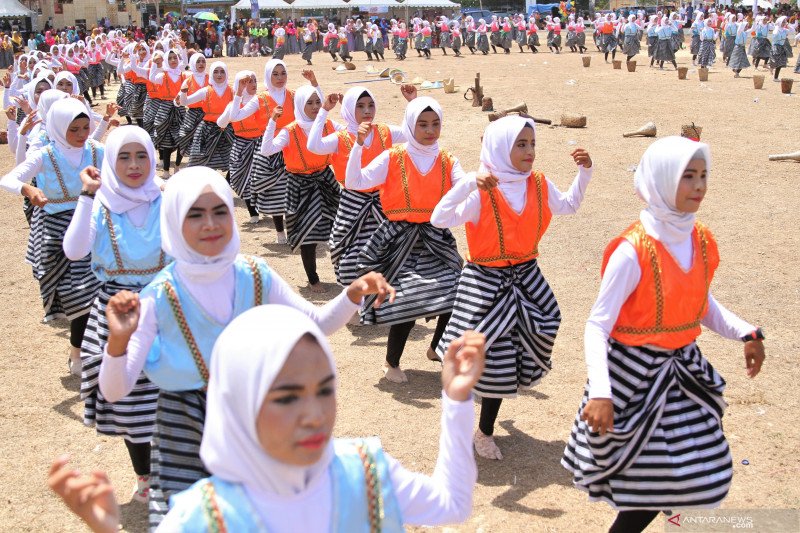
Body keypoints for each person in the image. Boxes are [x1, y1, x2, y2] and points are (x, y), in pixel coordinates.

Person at [97, 167, 394, 527]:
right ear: (173, 219)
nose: (210, 224)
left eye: (220, 210)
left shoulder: (256, 275)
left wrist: (352, 293)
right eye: (195, 213)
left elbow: (316, 325)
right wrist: (117, 342)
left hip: (257, 419)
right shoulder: (157, 298)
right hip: (185, 430)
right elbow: (115, 391)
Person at [49, 306, 484, 533]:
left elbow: (452, 504)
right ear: (239, 403)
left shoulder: (366, 473)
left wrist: (457, 400)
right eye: (285, 398)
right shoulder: (205, 516)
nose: (314, 415)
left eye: (325, 390)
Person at [562, 137, 766, 533]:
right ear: (661, 179)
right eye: (687, 176)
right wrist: (601, 392)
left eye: (703, 175)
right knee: (651, 482)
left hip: (682, 376)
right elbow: (597, 325)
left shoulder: (701, 239)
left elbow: (699, 303)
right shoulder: (631, 250)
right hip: (632, 381)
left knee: (685, 476)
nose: (699, 185)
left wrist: (747, 332)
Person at [431, 115, 593, 460]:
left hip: (526, 276)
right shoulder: (482, 191)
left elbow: (569, 205)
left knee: (539, 329)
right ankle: (474, 427)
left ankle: (485, 426)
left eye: (532, 143)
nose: (529, 151)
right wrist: (468, 184)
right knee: (487, 357)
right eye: (521, 144)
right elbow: (438, 219)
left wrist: (585, 173)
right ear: (501, 147)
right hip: (485, 280)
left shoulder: (538, 183)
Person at [62, 126, 164, 503]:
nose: (135, 165)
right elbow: (74, 250)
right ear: (109, 161)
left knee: (173, 395)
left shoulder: (165, 198)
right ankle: (144, 478)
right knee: (133, 404)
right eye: (124, 156)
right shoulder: (100, 203)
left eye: (141, 155)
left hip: (163, 308)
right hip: (117, 314)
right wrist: (87, 196)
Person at [345, 97, 466, 383]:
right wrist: (358, 146)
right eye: (422, 124)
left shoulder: (448, 159)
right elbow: (355, 181)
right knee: (407, 303)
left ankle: (437, 348)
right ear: (411, 126)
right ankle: (391, 363)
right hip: (398, 240)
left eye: (435, 123)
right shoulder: (393, 156)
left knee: (456, 292)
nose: (430, 130)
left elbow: (464, 186)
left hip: (435, 240)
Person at [0, 98, 103, 375]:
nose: (83, 135)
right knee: (75, 293)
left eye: (86, 127)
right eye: (75, 130)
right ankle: (78, 349)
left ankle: (79, 350)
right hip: (55, 230)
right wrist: (28, 190)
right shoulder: (45, 154)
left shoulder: (97, 150)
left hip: (89, 225)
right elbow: (8, 179)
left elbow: (127, 168)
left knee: (87, 290)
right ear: (58, 129)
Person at [306, 85, 414, 286]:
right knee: (346, 247)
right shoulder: (341, 138)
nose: (367, 111)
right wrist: (324, 111)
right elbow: (313, 145)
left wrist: (412, 103)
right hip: (352, 202)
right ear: (348, 109)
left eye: (371, 105)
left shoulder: (384, 131)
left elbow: (410, 134)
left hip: (383, 201)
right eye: (361, 106)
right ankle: (354, 297)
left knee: (386, 246)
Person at [259, 84, 341, 292]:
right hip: (299, 184)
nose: (314, 107)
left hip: (325, 180)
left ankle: (343, 274)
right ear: (299, 105)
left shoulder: (328, 125)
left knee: (340, 228)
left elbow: (350, 133)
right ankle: (313, 279)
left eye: (317, 102)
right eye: (309, 103)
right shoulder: (290, 131)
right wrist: (272, 122)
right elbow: (267, 149)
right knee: (307, 234)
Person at [178, 61, 233, 171]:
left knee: (232, 160)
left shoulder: (232, 91)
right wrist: (183, 92)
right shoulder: (205, 91)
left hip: (227, 130)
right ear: (212, 74)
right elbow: (184, 102)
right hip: (207, 130)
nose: (219, 75)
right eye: (216, 72)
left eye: (222, 72)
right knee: (200, 160)